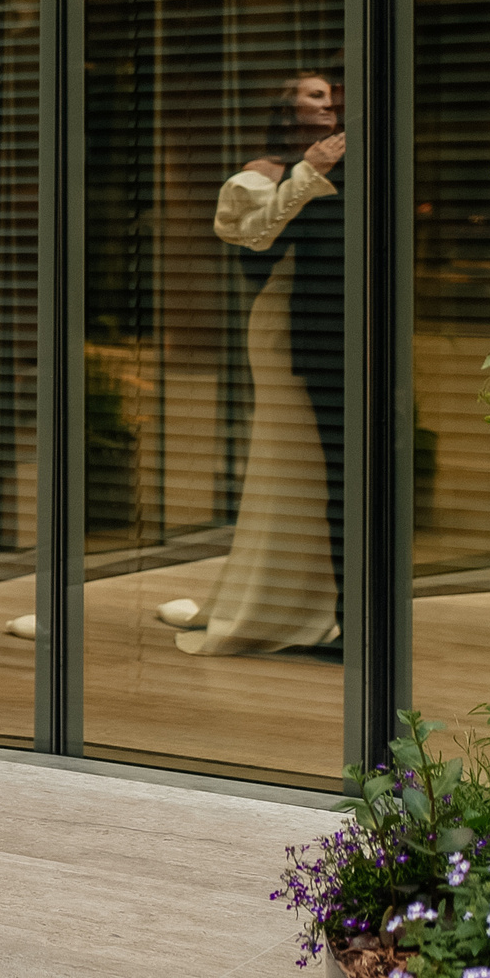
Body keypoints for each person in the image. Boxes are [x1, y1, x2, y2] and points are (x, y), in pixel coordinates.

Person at [161, 71, 347, 656]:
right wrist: (307, 174)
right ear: (285, 106)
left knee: (322, 473)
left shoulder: (332, 169)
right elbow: (256, 237)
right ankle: (275, 605)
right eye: (316, 95)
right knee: (289, 459)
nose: (330, 103)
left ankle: (322, 603)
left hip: (329, 329)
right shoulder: (252, 179)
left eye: (331, 96)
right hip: (282, 332)